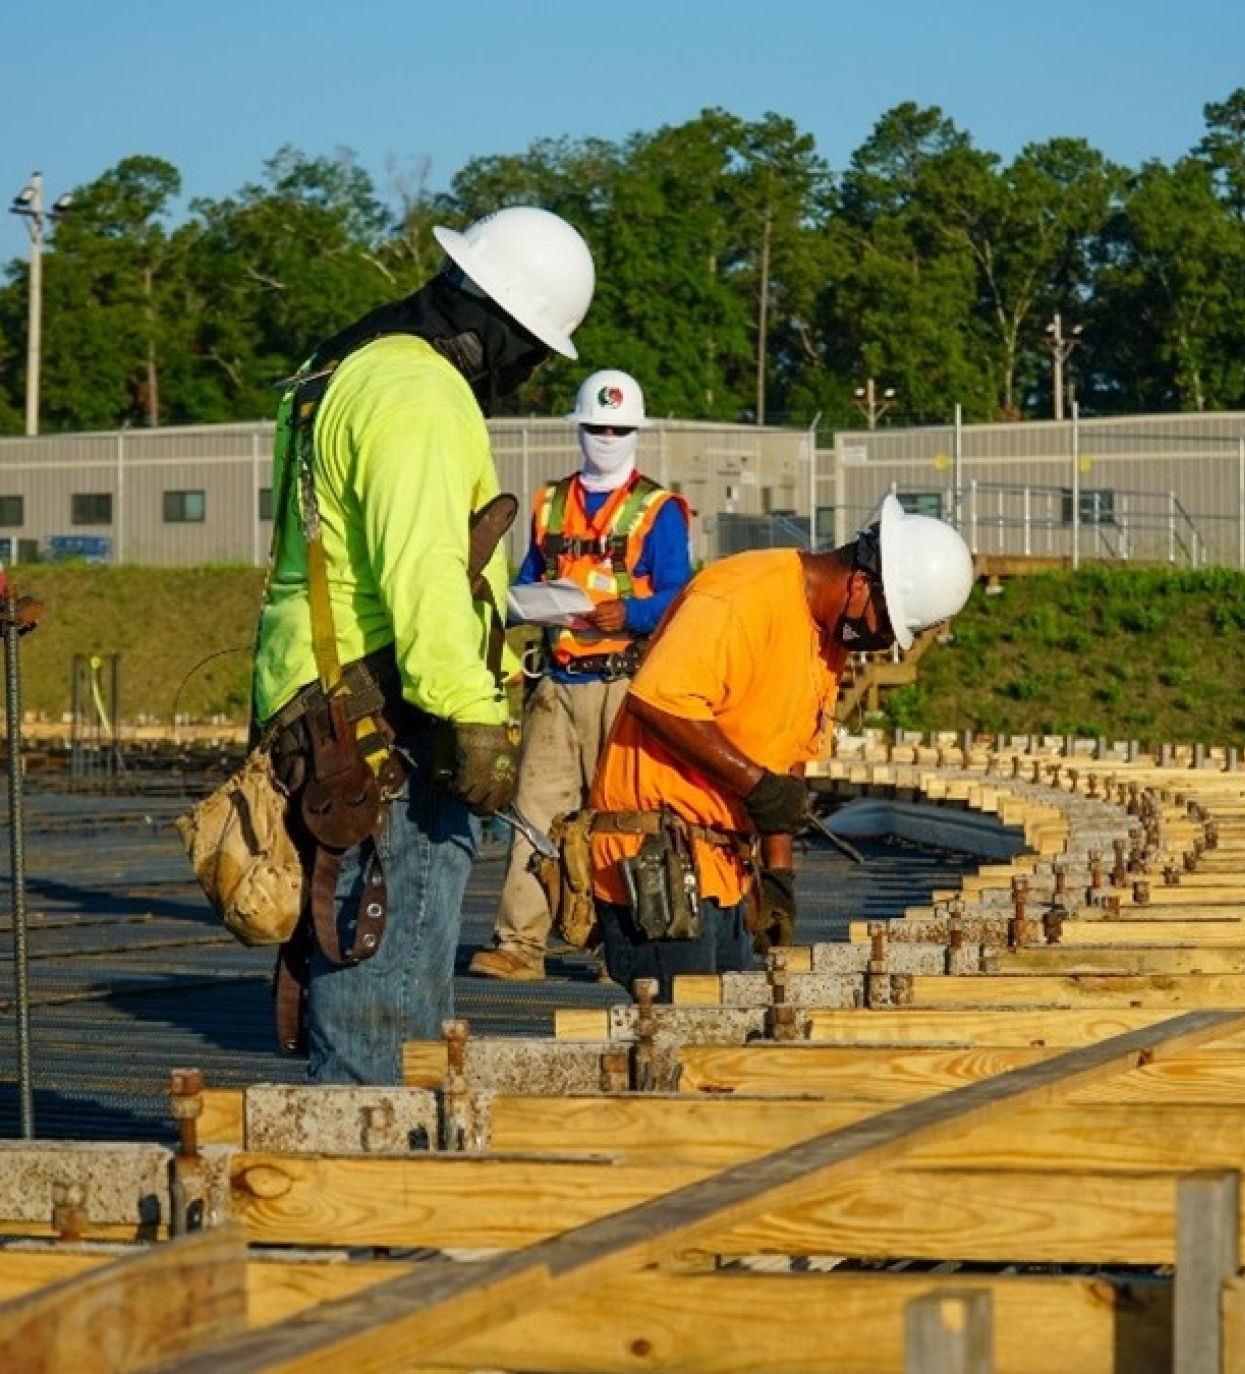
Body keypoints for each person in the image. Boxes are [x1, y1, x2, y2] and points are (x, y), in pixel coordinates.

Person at [251, 206, 596, 1084]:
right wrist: (476, 722)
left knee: (362, 984)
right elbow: (424, 573)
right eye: (530, 351)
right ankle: (376, 1204)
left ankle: (356, 1189)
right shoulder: (419, 391)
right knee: (389, 1024)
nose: (524, 375)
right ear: (496, 328)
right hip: (390, 725)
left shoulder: (343, 367)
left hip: (327, 705)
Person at [586, 495, 975, 1001]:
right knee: (679, 1045)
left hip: (723, 868)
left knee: (722, 1050)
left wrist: (778, 878)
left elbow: (781, 772)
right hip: (657, 856)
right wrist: (755, 785)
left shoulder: (826, 639)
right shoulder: (742, 595)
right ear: (861, 583)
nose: (878, 644)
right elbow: (657, 701)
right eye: (883, 627)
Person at [468, 369, 692, 981]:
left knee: (622, 816)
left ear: (636, 432)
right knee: (535, 811)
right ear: (579, 429)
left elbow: (680, 595)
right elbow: (523, 581)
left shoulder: (661, 511)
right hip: (557, 684)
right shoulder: (549, 504)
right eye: (596, 427)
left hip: (623, 683)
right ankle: (520, 946)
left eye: (619, 428)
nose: (607, 437)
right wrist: (524, 603)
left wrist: (635, 612)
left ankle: (621, 949)